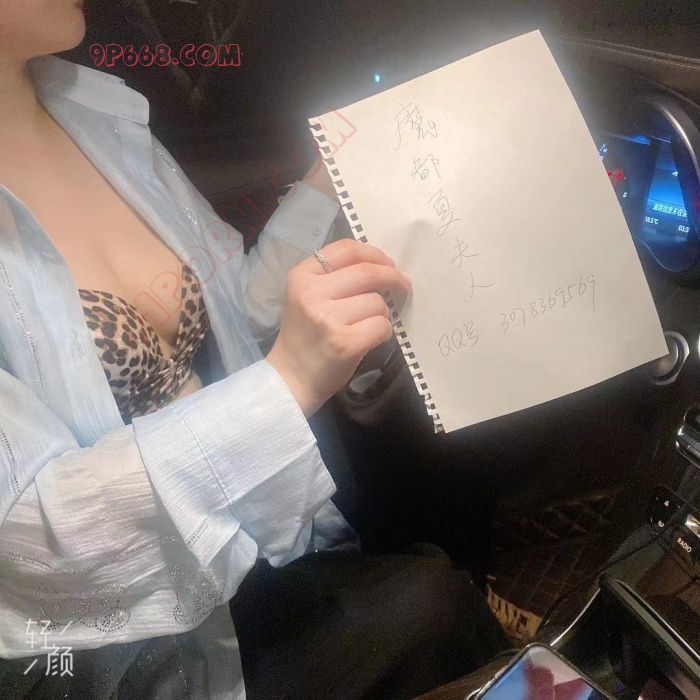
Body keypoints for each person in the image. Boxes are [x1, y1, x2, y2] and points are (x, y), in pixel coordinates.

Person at [0, 1, 508, 698]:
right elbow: (32, 540)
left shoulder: (95, 114)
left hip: (255, 530)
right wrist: (290, 377)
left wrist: (330, 178)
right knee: (430, 605)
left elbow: (233, 308)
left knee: (440, 524)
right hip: (139, 634)